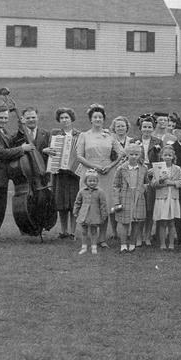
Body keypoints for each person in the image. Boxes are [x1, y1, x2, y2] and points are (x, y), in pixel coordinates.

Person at [0, 105, 36, 242]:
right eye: (1, 118)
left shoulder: (1, 130)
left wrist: (21, 128)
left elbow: (10, 141)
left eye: (5, 118)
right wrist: (22, 149)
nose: (4, 120)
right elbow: (2, 153)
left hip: (0, 176)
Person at [75, 104, 125, 248]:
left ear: (103, 119)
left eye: (100, 117)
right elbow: (79, 156)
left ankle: (102, 239)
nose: (98, 119)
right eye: (95, 117)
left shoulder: (109, 136)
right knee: (89, 204)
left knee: (104, 205)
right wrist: (95, 166)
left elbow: (121, 153)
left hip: (107, 173)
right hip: (90, 173)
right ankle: (90, 238)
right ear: (90, 119)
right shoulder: (84, 135)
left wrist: (111, 165)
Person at [112, 142, 149, 253]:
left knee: (136, 222)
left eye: (136, 154)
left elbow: (146, 182)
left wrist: (143, 189)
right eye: (131, 154)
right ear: (127, 155)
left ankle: (132, 243)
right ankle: (123, 244)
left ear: (140, 155)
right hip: (125, 196)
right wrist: (117, 201)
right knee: (124, 222)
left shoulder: (143, 168)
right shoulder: (121, 168)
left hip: (138, 196)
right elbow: (116, 185)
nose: (134, 156)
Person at [50, 107, 81, 240]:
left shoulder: (79, 134)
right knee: (61, 203)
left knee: (73, 202)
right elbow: (51, 151)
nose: (64, 120)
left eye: (66, 117)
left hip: (74, 174)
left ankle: (73, 232)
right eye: (62, 118)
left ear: (71, 119)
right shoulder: (55, 134)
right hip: (60, 173)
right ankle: (64, 231)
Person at [149, 145, 181, 250]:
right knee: (163, 221)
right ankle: (162, 244)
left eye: (170, 155)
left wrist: (172, 183)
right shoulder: (158, 168)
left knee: (171, 222)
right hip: (162, 198)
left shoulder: (177, 169)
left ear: (173, 157)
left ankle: (171, 244)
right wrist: (161, 180)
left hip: (172, 198)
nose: (167, 157)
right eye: (165, 155)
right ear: (161, 156)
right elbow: (153, 184)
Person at [73, 169, 109, 255]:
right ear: (85, 181)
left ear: (97, 181)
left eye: (94, 181)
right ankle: (84, 247)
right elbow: (77, 202)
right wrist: (75, 211)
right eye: (90, 181)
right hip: (84, 215)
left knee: (94, 231)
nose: (92, 183)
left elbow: (103, 205)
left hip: (94, 215)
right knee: (84, 231)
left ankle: (94, 247)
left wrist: (104, 215)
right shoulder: (82, 191)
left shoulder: (100, 192)